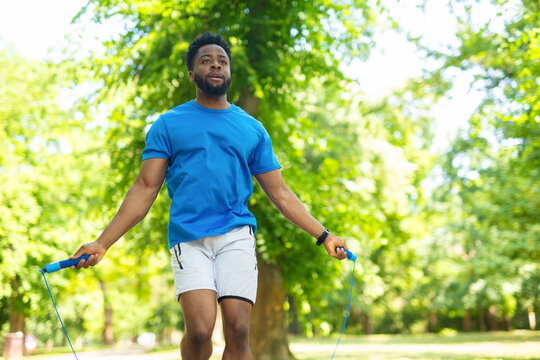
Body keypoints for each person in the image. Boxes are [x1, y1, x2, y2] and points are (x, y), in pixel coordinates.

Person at [70, 32, 349, 360]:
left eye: (222, 60)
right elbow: (145, 188)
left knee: (238, 330)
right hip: (188, 239)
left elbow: (281, 194)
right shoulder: (168, 124)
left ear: (229, 72)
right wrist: (103, 242)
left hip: (236, 237)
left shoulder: (252, 129)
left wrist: (324, 235)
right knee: (201, 332)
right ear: (192, 75)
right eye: (206, 60)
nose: (216, 64)